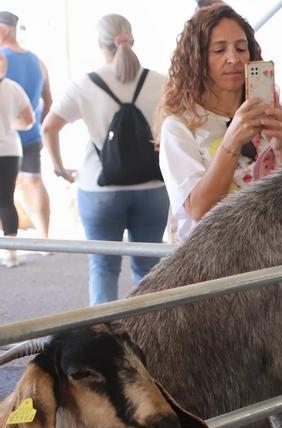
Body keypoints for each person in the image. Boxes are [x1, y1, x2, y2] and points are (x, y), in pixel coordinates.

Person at [42, 14, 169, 305]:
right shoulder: (161, 82)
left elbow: (49, 127)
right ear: (131, 41)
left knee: (103, 268)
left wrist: (59, 168)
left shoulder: (84, 85)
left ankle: (99, 340)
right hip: (152, 188)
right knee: (150, 270)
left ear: (101, 45)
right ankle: (151, 338)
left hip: (99, 191)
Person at [155, 3, 282, 241]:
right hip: (210, 262)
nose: (233, 58)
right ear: (197, 59)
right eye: (219, 50)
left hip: (268, 252)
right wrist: (232, 140)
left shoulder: (275, 116)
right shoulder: (180, 127)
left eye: (241, 48)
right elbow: (199, 209)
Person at [0, 11, 52, 239]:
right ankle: (45, 238)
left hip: (5, 135)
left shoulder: (2, 58)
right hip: (30, 134)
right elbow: (48, 99)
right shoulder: (37, 61)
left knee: (5, 197)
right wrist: (39, 127)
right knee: (34, 182)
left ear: (3, 30)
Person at [0, 49, 35, 267]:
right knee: (6, 199)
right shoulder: (13, 88)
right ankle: (11, 252)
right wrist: (10, 126)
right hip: (10, 149)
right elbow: (28, 120)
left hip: (10, 149)